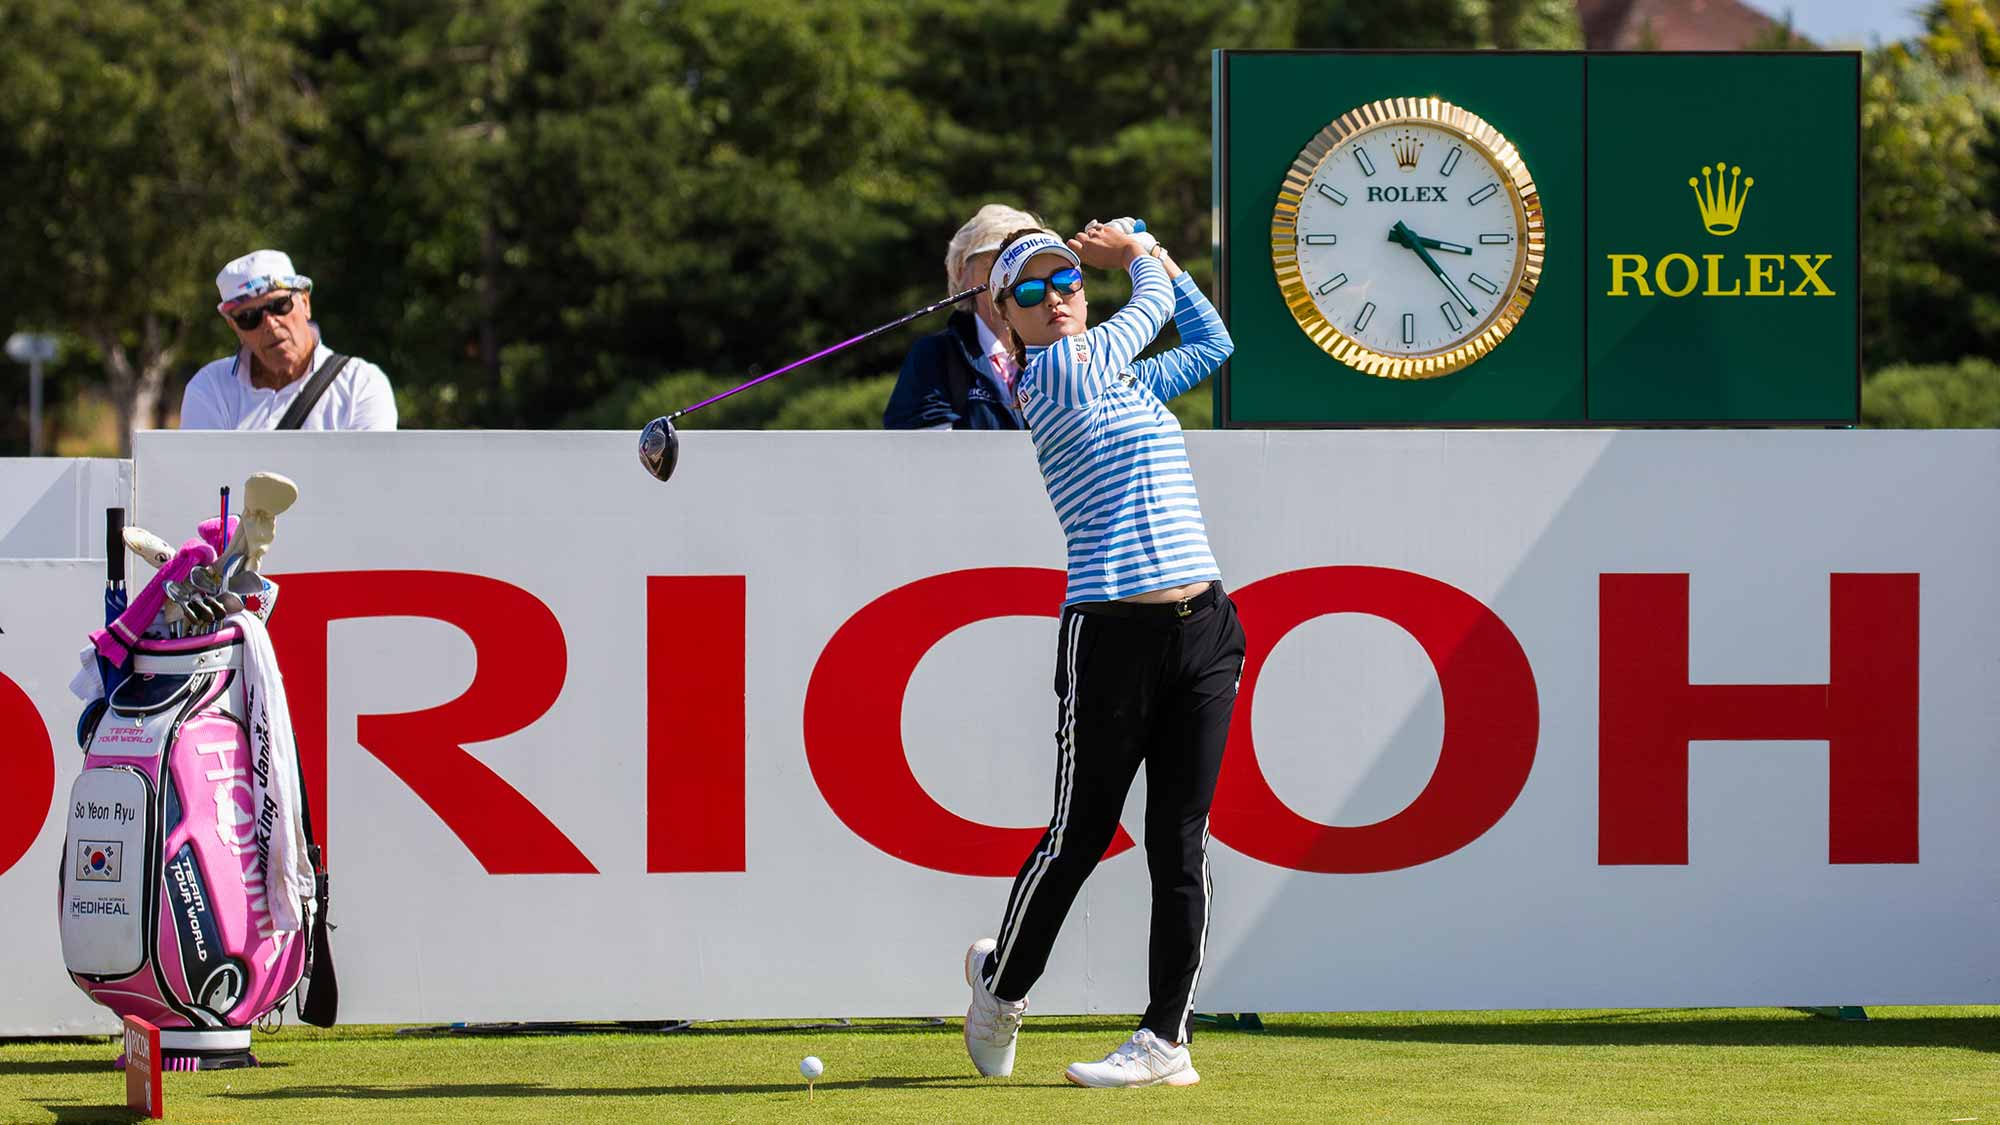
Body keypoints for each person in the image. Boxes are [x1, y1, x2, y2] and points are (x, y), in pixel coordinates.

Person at [961, 218, 1241, 1088]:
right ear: (1007, 317)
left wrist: (1153, 261)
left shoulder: (1129, 385)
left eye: (1065, 282)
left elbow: (1212, 339)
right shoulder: (1053, 372)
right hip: (1110, 635)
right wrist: (1140, 255)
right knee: (1081, 833)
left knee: (1180, 841)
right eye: (1033, 293)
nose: (1057, 300)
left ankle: (1167, 1039)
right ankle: (1003, 986)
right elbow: (1147, 307)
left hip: (1205, 623)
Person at [180, 249, 397, 431]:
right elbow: (202, 478)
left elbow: (370, 477)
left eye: (279, 305)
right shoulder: (210, 388)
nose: (270, 324)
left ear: (305, 303)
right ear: (234, 327)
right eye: (249, 317)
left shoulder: (361, 385)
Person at [882, 205, 1040, 430]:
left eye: (1024, 267)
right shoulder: (934, 355)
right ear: (960, 273)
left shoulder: (1061, 353)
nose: (1008, 279)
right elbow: (917, 454)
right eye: (994, 264)